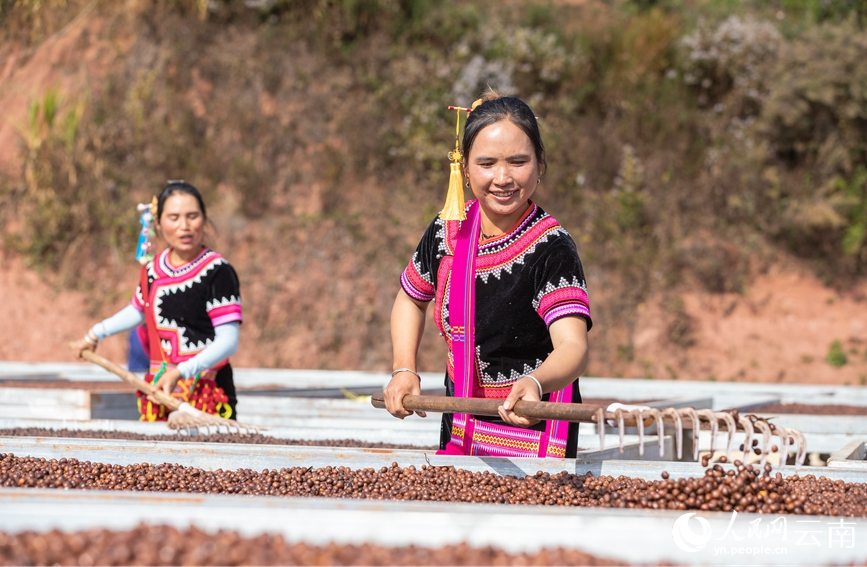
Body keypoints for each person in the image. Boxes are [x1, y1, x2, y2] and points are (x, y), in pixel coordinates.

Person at [383, 93, 592, 458]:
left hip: (536, 422)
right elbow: (410, 299)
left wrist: (535, 382)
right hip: (462, 420)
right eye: (486, 163)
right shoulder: (447, 231)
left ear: (540, 164)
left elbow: (573, 347)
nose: (502, 178)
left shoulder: (552, 248)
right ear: (464, 168)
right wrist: (404, 368)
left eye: (518, 162)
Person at [70, 181, 243, 421]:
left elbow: (228, 341)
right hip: (161, 389)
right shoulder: (153, 270)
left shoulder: (217, 272)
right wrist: (94, 335)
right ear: (159, 224)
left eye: (192, 216)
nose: (184, 226)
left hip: (206, 391)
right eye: (174, 218)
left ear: (204, 219)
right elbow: (138, 310)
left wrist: (181, 372)